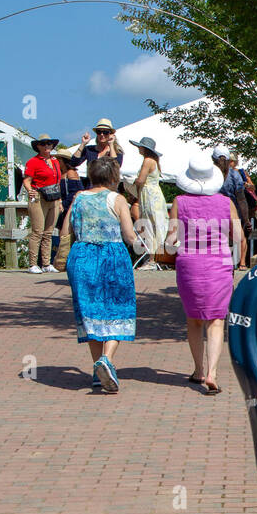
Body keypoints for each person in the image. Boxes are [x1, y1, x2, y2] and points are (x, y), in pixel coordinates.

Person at [168, 154, 243, 395]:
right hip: (219, 264)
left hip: (189, 264)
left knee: (194, 319)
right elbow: (238, 238)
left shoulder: (179, 202)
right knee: (216, 320)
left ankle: (198, 370)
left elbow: (171, 241)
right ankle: (212, 373)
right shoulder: (225, 202)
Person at [66, 159, 139, 392]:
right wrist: (145, 246)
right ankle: (106, 359)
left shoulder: (78, 198)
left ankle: (97, 371)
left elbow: (64, 230)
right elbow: (129, 235)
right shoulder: (118, 199)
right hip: (110, 256)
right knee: (118, 308)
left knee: (90, 312)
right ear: (114, 177)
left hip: (81, 257)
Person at [21, 134, 62, 273]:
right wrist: (30, 191)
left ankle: (46, 263)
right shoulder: (33, 161)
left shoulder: (55, 161)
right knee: (37, 231)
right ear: (38, 146)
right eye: (43, 144)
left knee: (49, 232)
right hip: (39, 196)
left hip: (54, 197)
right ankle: (32, 263)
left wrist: (60, 199)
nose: (47, 146)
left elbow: (58, 181)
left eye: (49, 143)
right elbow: (27, 180)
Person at [129, 136, 167, 271]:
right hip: (155, 194)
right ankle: (159, 257)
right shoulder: (154, 161)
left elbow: (141, 180)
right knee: (157, 225)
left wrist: (131, 183)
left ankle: (152, 259)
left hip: (149, 195)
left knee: (150, 226)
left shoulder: (147, 161)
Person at [211, 146, 250, 270]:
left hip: (212, 211)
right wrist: (246, 219)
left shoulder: (209, 173)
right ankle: (242, 263)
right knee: (241, 238)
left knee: (216, 240)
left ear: (212, 159)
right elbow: (241, 199)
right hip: (231, 210)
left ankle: (217, 264)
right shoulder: (235, 175)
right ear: (229, 160)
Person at [51, 147, 84, 272]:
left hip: (68, 206)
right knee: (61, 232)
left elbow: (75, 192)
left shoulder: (71, 173)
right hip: (62, 206)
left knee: (68, 233)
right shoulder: (60, 173)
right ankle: (62, 258)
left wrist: (64, 204)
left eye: (58, 159)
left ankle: (67, 260)